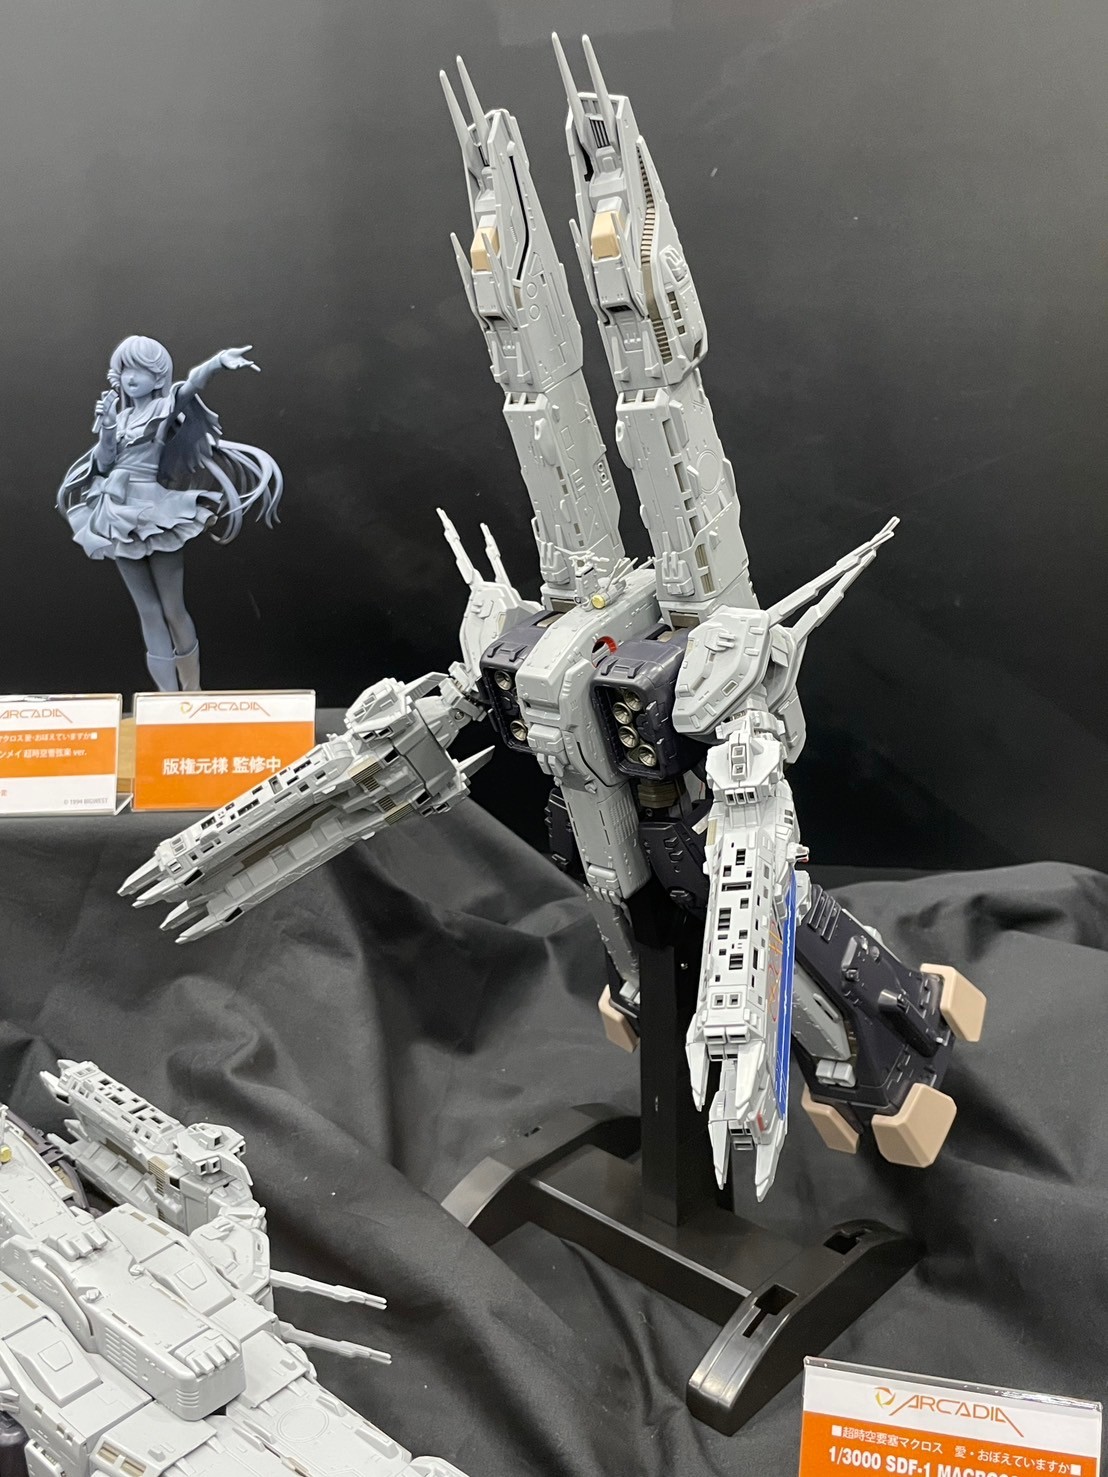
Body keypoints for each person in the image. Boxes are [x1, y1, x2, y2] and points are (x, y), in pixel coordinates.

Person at [57, 335, 283, 691]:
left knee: (173, 608)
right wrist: (108, 426)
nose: (132, 377)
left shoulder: (163, 408)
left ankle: (191, 692)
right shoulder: (120, 415)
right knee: (147, 610)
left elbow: (190, 386)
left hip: (154, 511)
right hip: (117, 512)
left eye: (142, 370)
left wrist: (218, 362)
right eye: (126, 369)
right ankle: (166, 698)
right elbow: (103, 462)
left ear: (158, 376)